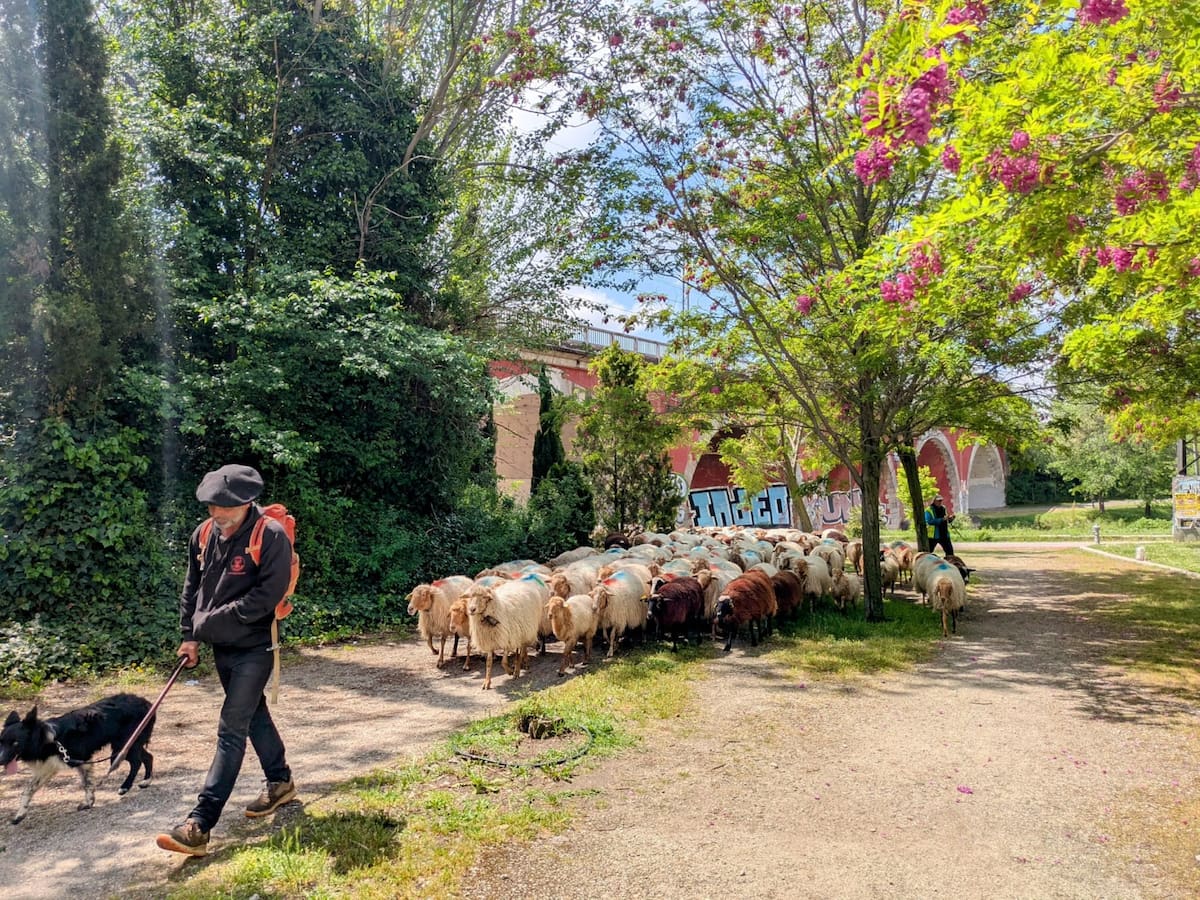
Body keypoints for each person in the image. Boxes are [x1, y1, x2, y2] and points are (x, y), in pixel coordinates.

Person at [156, 464, 297, 857]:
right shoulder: (203, 536)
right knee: (254, 716)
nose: (217, 514)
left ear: (246, 502)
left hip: (256, 648)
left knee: (231, 727)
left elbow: (267, 595)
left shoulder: (268, 536)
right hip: (221, 648)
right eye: (211, 507)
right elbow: (192, 587)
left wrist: (212, 623)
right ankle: (280, 782)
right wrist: (190, 634)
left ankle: (199, 823)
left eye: (225, 508)